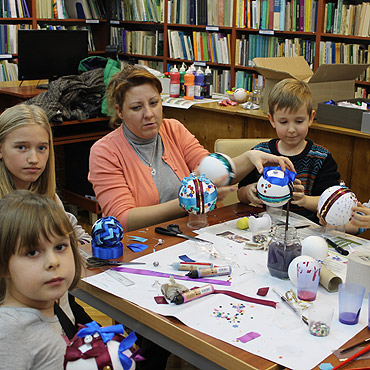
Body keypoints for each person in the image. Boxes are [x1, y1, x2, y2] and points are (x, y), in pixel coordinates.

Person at [88, 64, 294, 232]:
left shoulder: (173, 129)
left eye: (154, 102)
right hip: (143, 243)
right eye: (136, 107)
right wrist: (189, 201)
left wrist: (250, 157)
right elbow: (123, 219)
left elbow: (212, 172)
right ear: (119, 111)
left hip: (193, 231)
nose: (149, 114)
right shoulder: (105, 152)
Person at [0, 104, 92, 336]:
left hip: (56, 310)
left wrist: (78, 246)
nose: (34, 158)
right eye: (22, 147)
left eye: (42, 148)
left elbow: (74, 231)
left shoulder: (47, 197)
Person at [237, 78, 340, 223]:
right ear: (272, 120)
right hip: (265, 224)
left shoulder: (321, 158)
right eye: (283, 122)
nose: (291, 130)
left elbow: (331, 201)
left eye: (299, 121)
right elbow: (240, 193)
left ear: (311, 118)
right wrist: (248, 193)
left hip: (306, 229)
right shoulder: (261, 153)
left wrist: (304, 200)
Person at [0, 190, 82, 369]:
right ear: (4, 265)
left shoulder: (49, 311)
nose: (53, 262)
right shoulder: (8, 332)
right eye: (32, 252)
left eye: (60, 247)